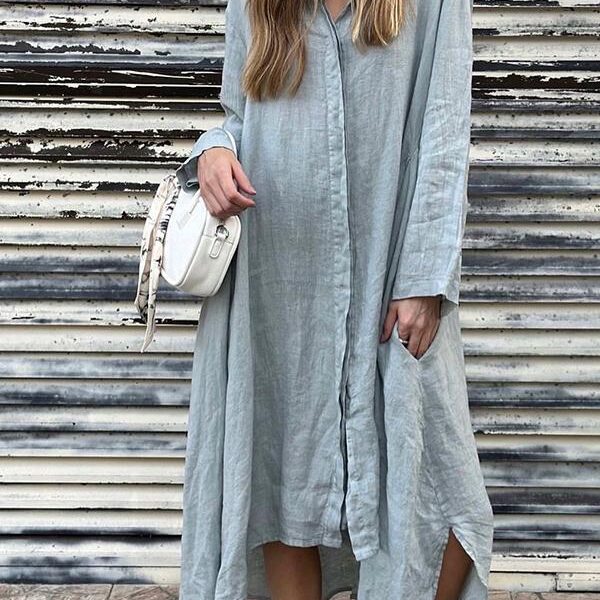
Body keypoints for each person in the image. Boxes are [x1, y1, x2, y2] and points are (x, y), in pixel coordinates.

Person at [176, 0, 495, 598]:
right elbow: (238, 114)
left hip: (390, 275)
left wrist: (424, 279)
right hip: (277, 277)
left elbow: (444, 128)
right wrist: (215, 150)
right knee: (282, 478)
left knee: (443, 490)